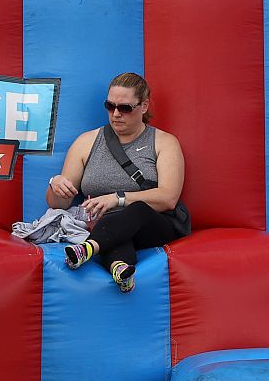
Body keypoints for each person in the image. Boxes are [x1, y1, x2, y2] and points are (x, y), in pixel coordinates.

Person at [45, 72, 189, 292]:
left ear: (144, 106)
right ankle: (120, 270)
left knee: (135, 209)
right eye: (110, 106)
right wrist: (56, 184)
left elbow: (168, 198)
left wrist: (117, 198)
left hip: (153, 222)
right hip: (106, 226)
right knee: (113, 228)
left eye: (125, 108)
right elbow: (59, 203)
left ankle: (88, 248)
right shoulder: (86, 142)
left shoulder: (164, 142)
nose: (116, 114)